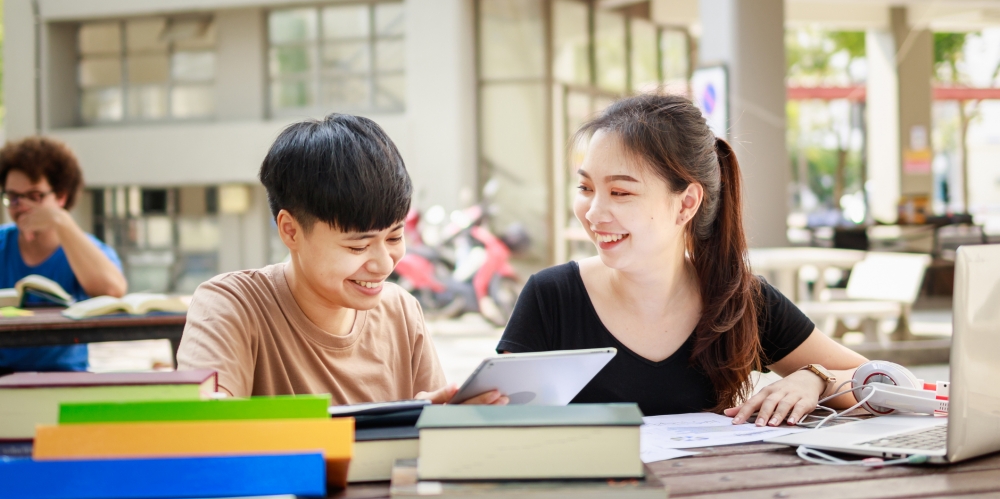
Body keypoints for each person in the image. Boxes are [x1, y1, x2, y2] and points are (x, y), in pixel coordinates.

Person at [498, 94, 867, 425]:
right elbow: (499, 423)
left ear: (687, 202)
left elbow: (896, 385)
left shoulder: (739, 300)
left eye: (620, 192)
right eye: (586, 188)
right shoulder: (551, 297)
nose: (594, 212)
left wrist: (818, 378)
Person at [177, 114, 506, 406]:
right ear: (291, 231)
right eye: (358, 246)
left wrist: (445, 422)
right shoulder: (229, 306)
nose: (383, 264)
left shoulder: (401, 312)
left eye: (394, 237)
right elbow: (206, 435)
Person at [0, 137, 126, 373]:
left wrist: (60, 220)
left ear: (61, 196)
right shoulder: (2, 243)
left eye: (35, 196)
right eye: (13, 197)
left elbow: (112, 290)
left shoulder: (83, 247)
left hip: (65, 374)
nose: (22, 206)